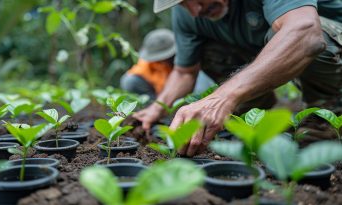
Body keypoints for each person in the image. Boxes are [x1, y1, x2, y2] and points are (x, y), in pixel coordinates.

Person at [133, 0, 342, 156]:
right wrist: (157, 108)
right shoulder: (188, 13)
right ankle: (255, 114)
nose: (195, 10)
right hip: (266, 53)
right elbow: (184, 72)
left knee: (303, 35)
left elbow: (306, 34)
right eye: (183, 4)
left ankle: (325, 117)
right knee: (206, 49)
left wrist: (223, 97)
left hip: (327, 41)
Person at [120, 28, 215, 100]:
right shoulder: (146, 66)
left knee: (202, 86)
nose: (164, 60)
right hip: (157, 96)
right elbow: (132, 78)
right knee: (129, 81)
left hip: (187, 93)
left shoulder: (186, 55)